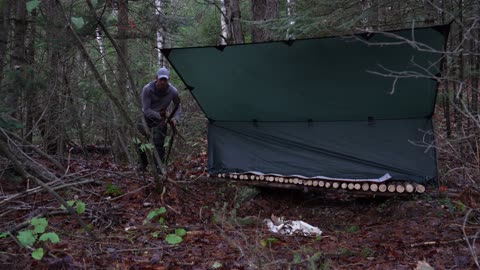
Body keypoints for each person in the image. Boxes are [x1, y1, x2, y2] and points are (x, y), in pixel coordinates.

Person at [137, 67, 180, 172]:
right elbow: (146, 110)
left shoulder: (173, 91)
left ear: (168, 80)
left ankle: (158, 167)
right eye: (161, 79)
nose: (163, 82)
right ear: (156, 78)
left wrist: (175, 118)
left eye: (165, 80)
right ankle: (143, 165)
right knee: (141, 142)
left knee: (159, 143)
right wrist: (161, 116)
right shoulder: (147, 89)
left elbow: (177, 105)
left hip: (161, 120)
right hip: (146, 118)